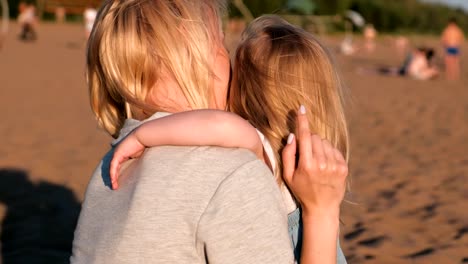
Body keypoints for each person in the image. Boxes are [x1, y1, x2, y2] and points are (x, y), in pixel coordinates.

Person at [72, 1, 301, 263]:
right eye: (221, 45)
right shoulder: (232, 172)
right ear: (192, 58)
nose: (231, 63)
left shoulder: (108, 169)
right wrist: (323, 219)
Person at [109, 15, 349, 263]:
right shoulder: (319, 163)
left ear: (245, 92)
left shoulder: (261, 148)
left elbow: (219, 124)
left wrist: (143, 134)